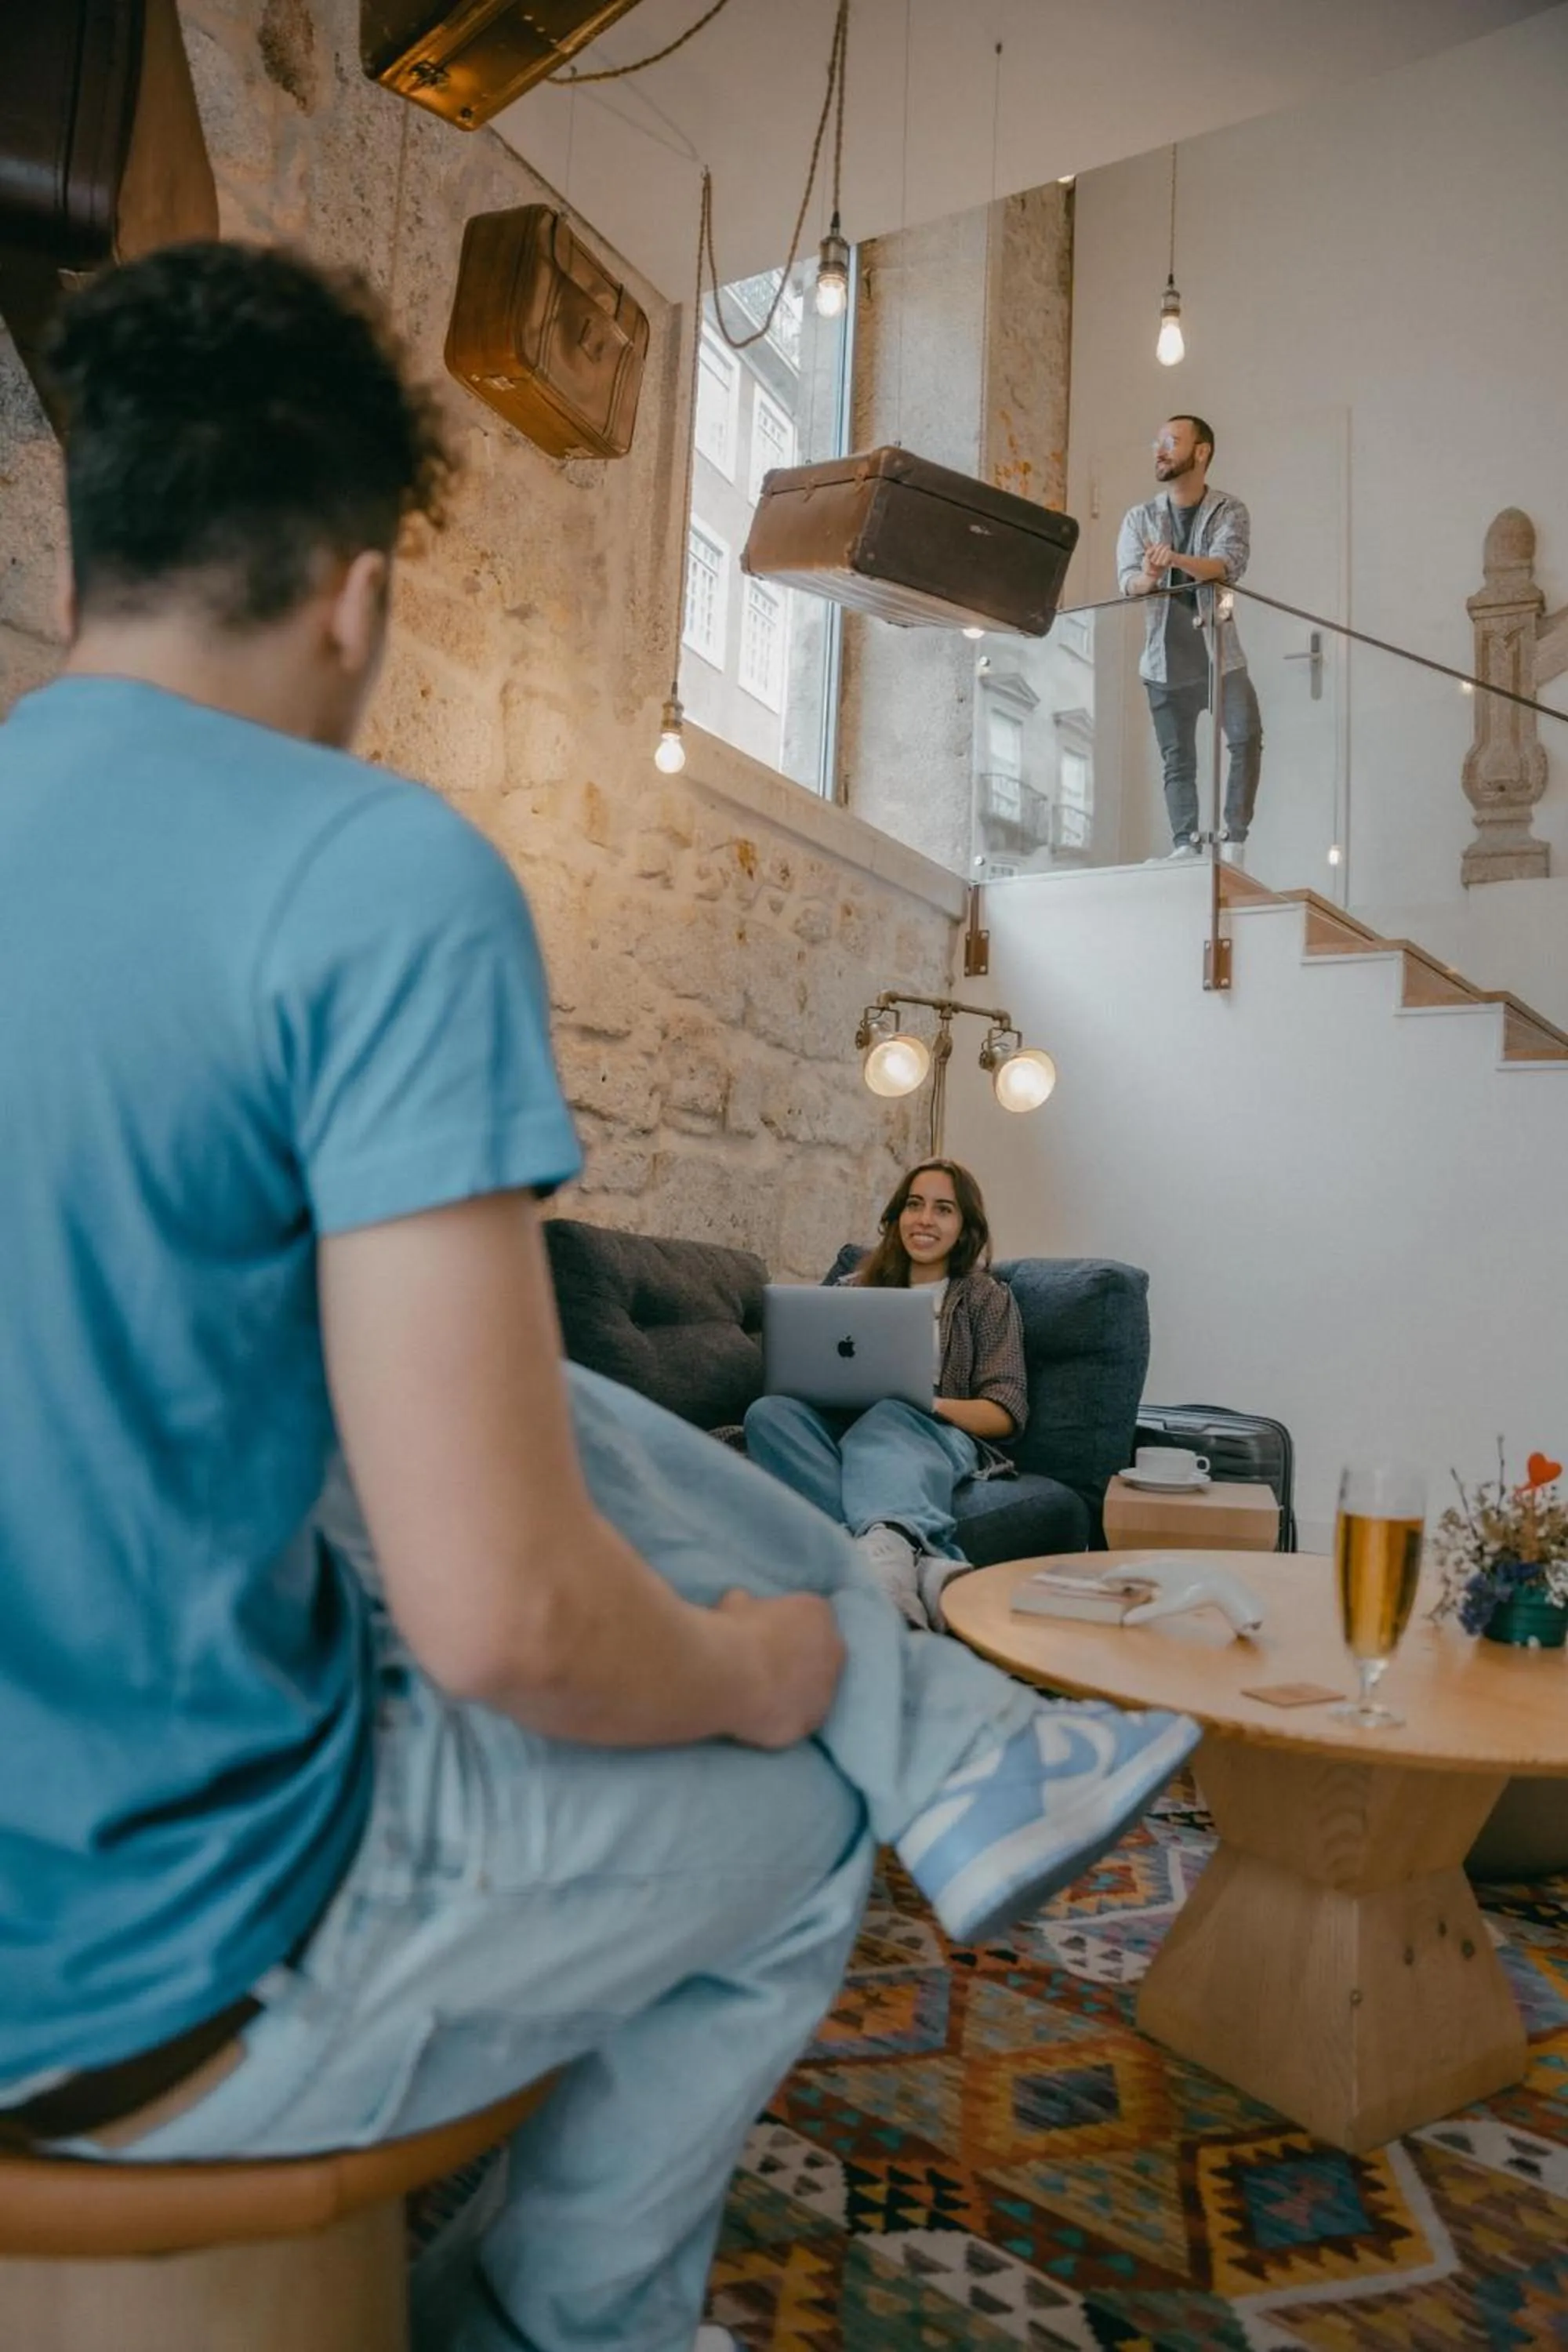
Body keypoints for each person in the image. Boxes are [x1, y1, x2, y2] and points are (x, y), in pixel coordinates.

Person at [0, 242, 1200, 2352]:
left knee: (583, 1443)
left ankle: (920, 1709)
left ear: (91, 542)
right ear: (361, 590)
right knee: (809, 1797)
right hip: (135, 1973)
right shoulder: (366, 871)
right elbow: (507, 1619)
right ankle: (572, 2318)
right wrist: (763, 1676)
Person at [744, 1160, 1022, 1631]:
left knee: (890, 1413)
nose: (924, 1219)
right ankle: (918, 1565)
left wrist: (925, 1403)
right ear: (896, 1216)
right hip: (842, 1424)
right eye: (914, 1205)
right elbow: (809, 1364)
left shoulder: (985, 1297)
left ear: (965, 1226)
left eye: (943, 1209)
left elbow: (1006, 1411)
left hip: (929, 1430)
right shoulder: (851, 1289)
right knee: (768, 1414)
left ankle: (883, 1563)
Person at [1116, 413, 1262, 860]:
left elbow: (1226, 565)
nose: (1160, 449)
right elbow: (1127, 582)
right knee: (1177, 760)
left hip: (1219, 654)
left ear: (1201, 451)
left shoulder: (1228, 510)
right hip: (1163, 659)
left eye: (1172, 441)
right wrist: (1149, 576)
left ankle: (1234, 840)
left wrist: (1174, 559)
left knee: (1245, 737)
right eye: (1157, 441)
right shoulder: (1139, 518)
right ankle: (1186, 845)